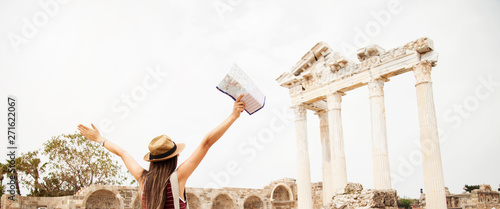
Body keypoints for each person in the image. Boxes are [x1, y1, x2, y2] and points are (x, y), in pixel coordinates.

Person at [77, 94, 246, 209]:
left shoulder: (142, 179)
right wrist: (233, 116)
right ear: (176, 156)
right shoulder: (177, 178)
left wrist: (99, 139)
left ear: (152, 160)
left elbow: (123, 153)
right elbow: (206, 143)